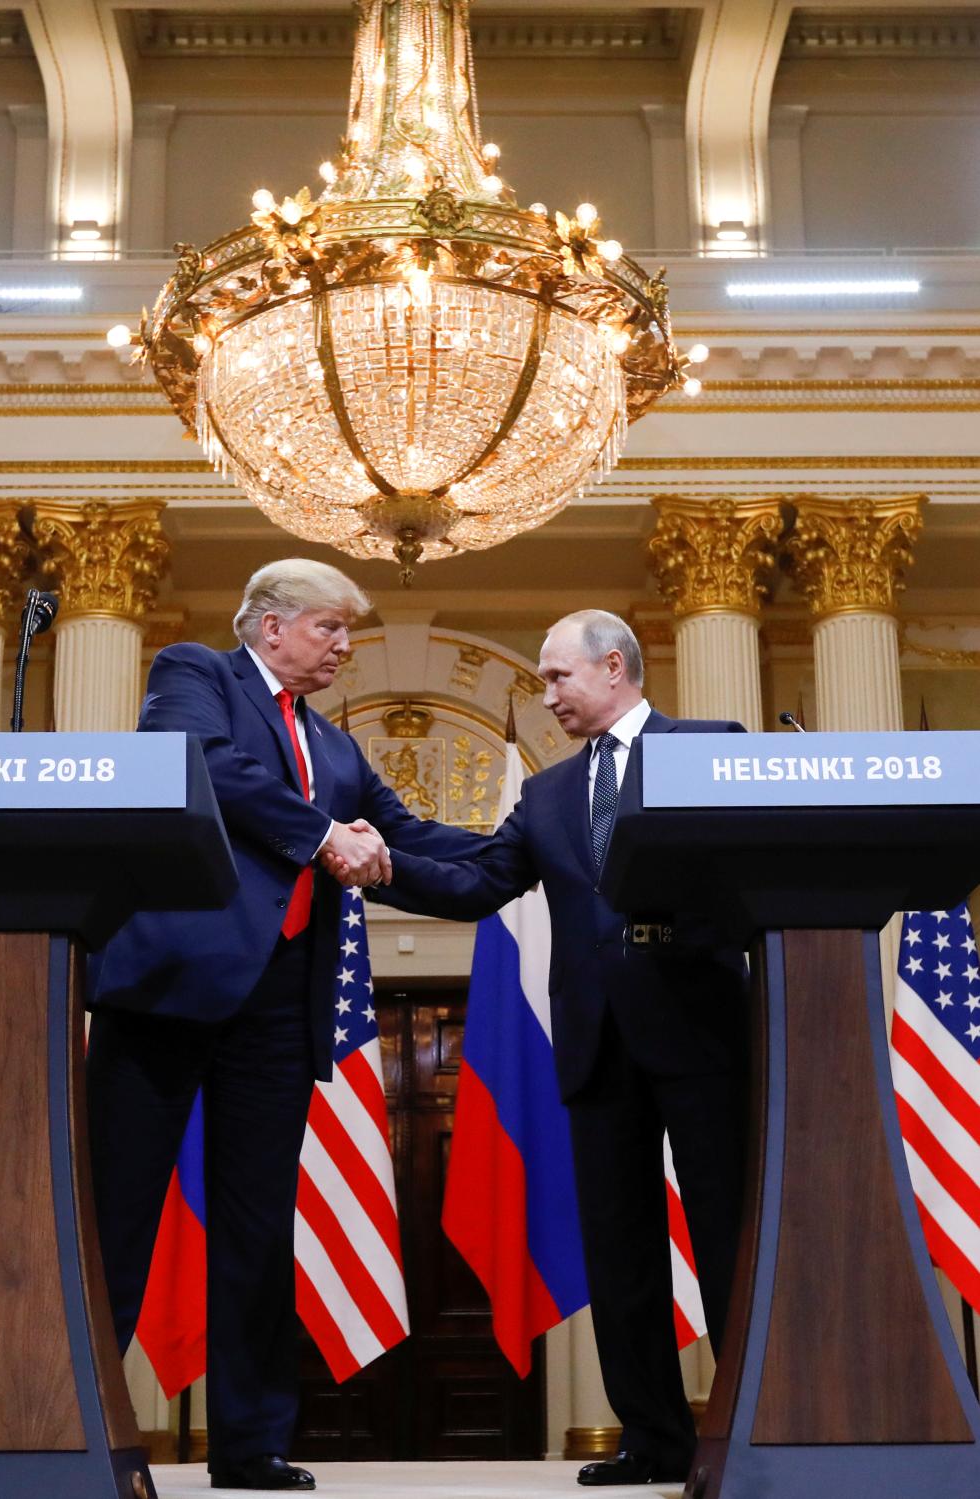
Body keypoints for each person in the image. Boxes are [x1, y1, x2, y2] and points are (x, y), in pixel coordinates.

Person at [326, 609, 749, 1487]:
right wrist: (387, 864)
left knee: (728, 1237)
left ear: (614, 667)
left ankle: (754, 1420)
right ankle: (654, 1439)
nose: (548, 693)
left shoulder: (708, 748)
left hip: (699, 1033)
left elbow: (746, 871)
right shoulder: (549, 795)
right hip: (596, 1046)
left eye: (559, 676)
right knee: (620, 1250)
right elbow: (482, 880)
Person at [87, 559, 483, 1492]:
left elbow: (408, 837)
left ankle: (250, 1444)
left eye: (348, 631)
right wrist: (321, 836)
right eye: (330, 628)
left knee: (258, 1225)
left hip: (277, 1003)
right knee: (117, 1213)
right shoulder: (197, 675)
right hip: (169, 987)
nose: (346, 645)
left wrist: (531, 849)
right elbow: (205, 767)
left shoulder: (337, 750)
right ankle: (74, 1416)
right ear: (270, 627)